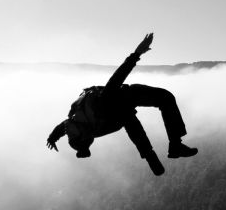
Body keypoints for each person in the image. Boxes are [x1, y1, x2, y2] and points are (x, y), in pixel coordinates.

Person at [46, 33, 197, 176]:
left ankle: (166, 149)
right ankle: (169, 149)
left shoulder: (97, 111)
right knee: (130, 118)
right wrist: (52, 138)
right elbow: (62, 128)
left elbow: (117, 78)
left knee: (158, 102)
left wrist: (137, 53)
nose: (91, 139)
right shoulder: (78, 126)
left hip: (125, 95)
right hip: (118, 110)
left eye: (88, 141)